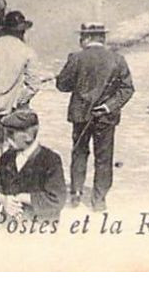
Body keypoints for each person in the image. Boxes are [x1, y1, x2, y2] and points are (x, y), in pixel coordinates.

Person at [55, 21, 134, 212]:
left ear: (87, 38)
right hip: (106, 116)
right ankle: (99, 199)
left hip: (80, 114)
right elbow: (127, 88)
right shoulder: (117, 59)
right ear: (103, 38)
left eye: (81, 37)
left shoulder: (76, 58)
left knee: (79, 152)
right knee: (104, 157)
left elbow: (62, 85)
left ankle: (76, 193)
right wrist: (108, 106)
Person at [0, 9, 54, 182]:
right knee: (15, 143)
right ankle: (9, 181)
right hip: (15, 107)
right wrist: (20, 100)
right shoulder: (27, 52)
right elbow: (33, 83)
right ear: (22, 31)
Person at [0, 109, 65, 223]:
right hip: (8, 224)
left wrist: (24, 198)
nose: (7, 139)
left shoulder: (50, 160)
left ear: (28, 136)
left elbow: (57, 200)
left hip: (40, 225)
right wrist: (2, 199)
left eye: (11, 134)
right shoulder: (7, 157)